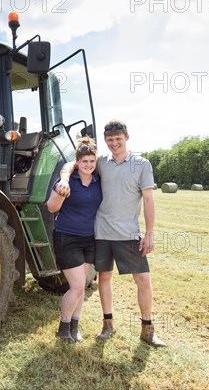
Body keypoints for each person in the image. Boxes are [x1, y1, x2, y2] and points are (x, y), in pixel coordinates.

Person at [56, 120, 166, 347]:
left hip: (129, 234)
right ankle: (108, 325)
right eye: (110, 139)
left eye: (118, 138)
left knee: (143, 279)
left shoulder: (141, 164)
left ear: (127, 137)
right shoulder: (101, 162)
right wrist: (65, 178)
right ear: (106, 141)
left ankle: (148, 329)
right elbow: (72, 165)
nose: (114, 143)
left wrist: (150, 233)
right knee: (104, 278)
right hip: (102, 233)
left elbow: (148, 199)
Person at [46, 136, 102, 343]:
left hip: (90, 239)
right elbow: (52, 208)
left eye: (91, 161)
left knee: (82, 286)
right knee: (77, 286)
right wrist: (61, 192)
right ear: (77, 163)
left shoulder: (98, 181)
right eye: (84, 161)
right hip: (67, 237)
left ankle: (74, 326)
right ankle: (63, 327)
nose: (88, 165)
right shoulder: (67, 181)